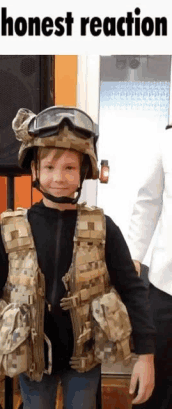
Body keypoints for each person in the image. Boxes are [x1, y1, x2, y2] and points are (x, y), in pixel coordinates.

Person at [0, 106, 155, 409]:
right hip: (31, 361)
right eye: (50, 167)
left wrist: (145, 356)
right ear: (34, 171)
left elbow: (134, 292)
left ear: (84, 172)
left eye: (69, 168)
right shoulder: (12, 228)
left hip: (84, 361)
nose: (59, 177)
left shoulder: (104, 228)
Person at [127, 127, 172, 409]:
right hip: (166, 284)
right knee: (154, 385)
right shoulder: (167, 140)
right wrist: (133, 257)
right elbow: (147, 203)